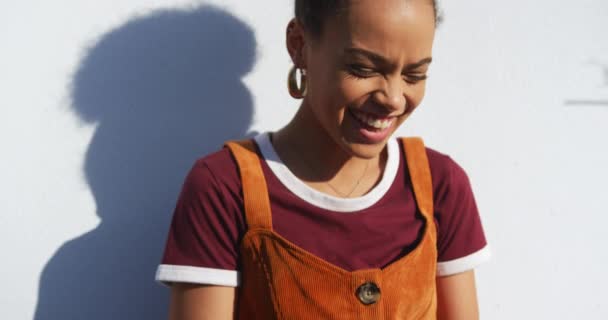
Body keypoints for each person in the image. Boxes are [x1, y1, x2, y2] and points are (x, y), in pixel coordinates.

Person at [156, 0, 491, 319]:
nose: (392, 98)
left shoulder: (438, 185)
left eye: (414, 75)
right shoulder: (225, 188)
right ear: (299, 44)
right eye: (363, 68)